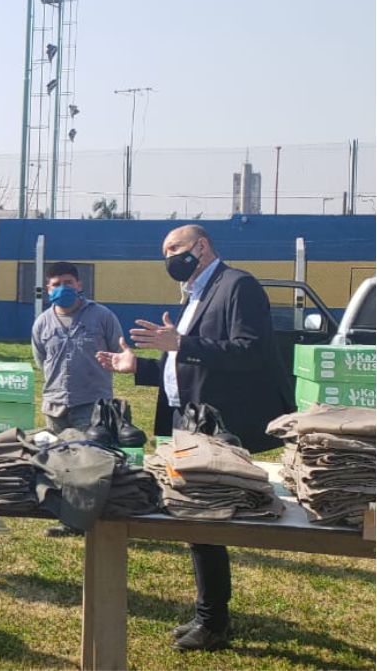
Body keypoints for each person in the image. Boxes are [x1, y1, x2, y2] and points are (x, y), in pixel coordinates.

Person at [96, 224, 294, 652]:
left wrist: (181, 342)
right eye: (164, 253)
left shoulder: (237, 286)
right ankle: (211, 616)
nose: (169, 259)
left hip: (220, 424)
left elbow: (250, 351)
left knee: (206, 518)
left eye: (175, 249)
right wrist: (141, 368)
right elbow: (186, 363)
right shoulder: (195, 294)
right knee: (196, 519)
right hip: (189, 421)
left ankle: (214, 620)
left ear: (201, 247)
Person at [31, 261, 125, 537]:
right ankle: (68, 519)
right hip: (55, 404)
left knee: (90, 464)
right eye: (56, 284)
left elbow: (118, 354)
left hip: (92, 403)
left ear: (79, 284)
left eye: (68, 283)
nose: (63, 288)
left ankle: (93, 520)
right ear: (48, 290)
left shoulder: (102, 316)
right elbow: (40, 360)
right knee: (61, 462)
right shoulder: (42, 322)